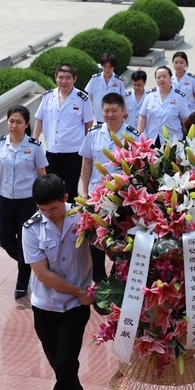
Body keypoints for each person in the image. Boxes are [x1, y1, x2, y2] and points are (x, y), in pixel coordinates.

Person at [22, 174, 93, 390]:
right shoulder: (31, 229)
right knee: (60, 365)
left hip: (75, 306)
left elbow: (103, 243)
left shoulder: (83, 217)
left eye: (53, 209)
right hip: (46, 307)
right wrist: (79, 290)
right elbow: (43, 274)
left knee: (65, 361)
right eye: (43, 210)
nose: (48, 214)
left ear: (65, 198)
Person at [0, 105, 48, 299]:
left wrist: (42, 202)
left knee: (24, 242)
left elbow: (42, 176)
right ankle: (31, 262)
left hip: (27, 203)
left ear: (27, 124)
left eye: (19, 122)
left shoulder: (35, 147)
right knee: (4, 239)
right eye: (11, 121)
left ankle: (22, 283)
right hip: (6, 200)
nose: (14, 125)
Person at [79, 93, 140, 283]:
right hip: (96, 196)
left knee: (120, 238)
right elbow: (87, 162)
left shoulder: (133, 136)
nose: (110, 115)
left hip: (122, 197)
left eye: (115, 111)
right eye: (107, 111)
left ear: (124, 112)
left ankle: (117, 276)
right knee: (95, 238)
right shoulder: (94, 133)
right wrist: (83, 191)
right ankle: (98, 277)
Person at [33, 63, 93, 201]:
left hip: (73, 151)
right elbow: (39, 119)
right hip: (52, 150)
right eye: (61, 77)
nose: (64, 81)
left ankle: (71, 218)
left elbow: (88, 123)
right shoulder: (48, 96)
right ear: (55, 78)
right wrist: (34, 142)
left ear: (75, 79)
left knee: (71, 189)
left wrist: (87, 146)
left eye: (68, 77)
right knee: (52, 188)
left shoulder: (82, 98)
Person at [138, 65, 190, 146]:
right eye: (158, 77)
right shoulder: (150, 95)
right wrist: (140, 136)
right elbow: (142, 116)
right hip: (151, 140)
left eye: (164, 76)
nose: (161, 79)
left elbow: (185, 120)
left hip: (172, 141)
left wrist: (188, 140)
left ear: (171, 78)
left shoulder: (179, 97)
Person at [85, 53, 126, 123]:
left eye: (109, 67)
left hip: (113, 117)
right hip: (99, 116)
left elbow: (122, 99)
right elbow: (90, 97)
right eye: (104, 66)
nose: (107, 69)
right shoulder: (95, 79)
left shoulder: (119, 81)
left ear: (113, 67)